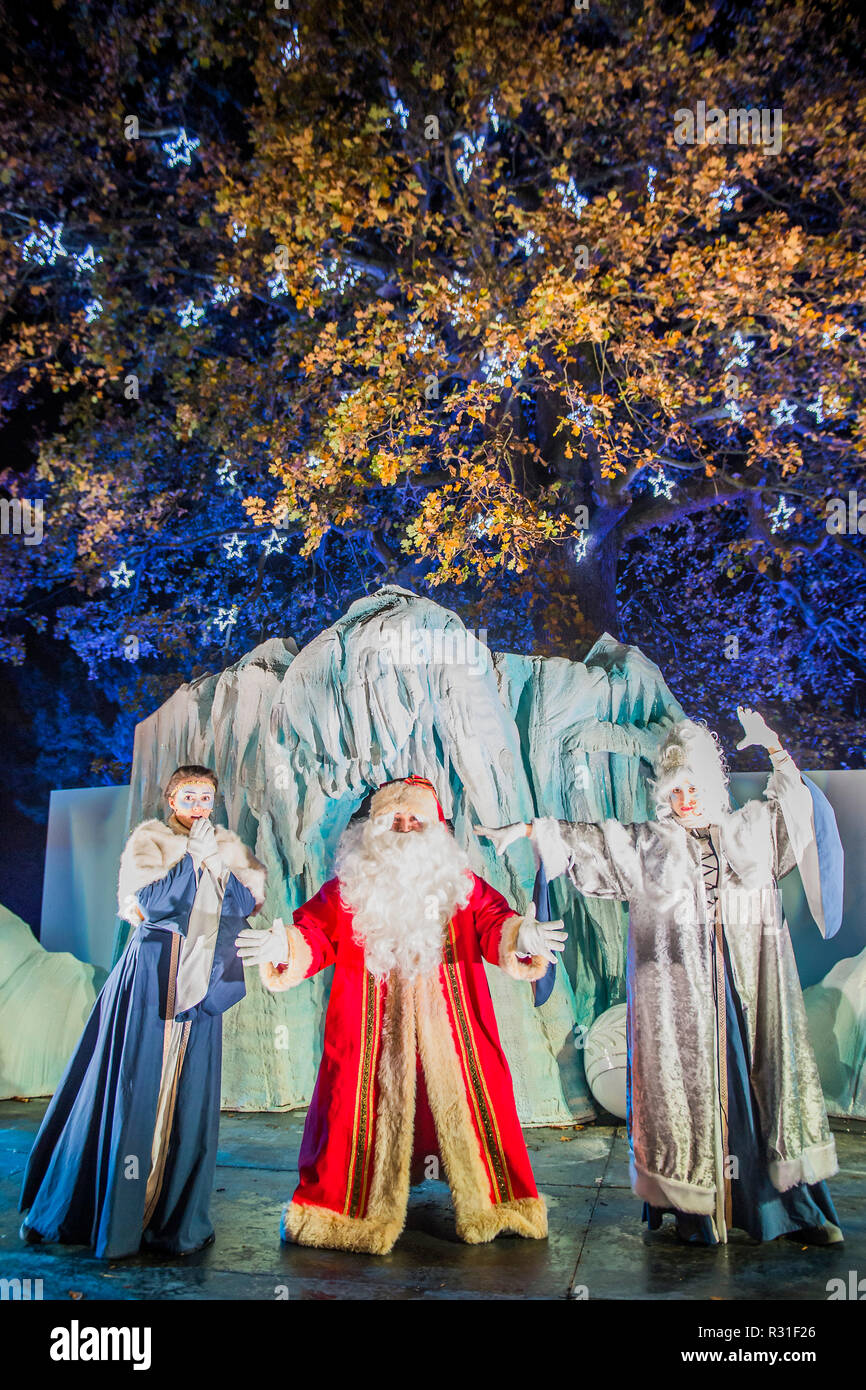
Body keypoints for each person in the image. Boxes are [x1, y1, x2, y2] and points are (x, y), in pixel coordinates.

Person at [478, 708, 844, 1246]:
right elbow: (592, 842)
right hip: (682, 1004)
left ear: (713, 783)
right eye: (675, 790)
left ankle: (792, 1209)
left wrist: (772, 746)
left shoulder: (750, 831)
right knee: (686, 1097)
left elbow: (794, 803)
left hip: (749, 996)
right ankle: (697, 1212)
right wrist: (532, 830)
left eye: (692, 786)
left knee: (764, 1091)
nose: (685, 799)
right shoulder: (650, 843)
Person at [236, 774, 564, 1255]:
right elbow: (317, 932)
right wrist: (281, 945)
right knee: (353, 1099)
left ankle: (494, 1206)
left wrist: (522, 937)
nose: (407, 827)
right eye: (396, 818)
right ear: (376, 826)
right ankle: (341, 1214)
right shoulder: (351, 885)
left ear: (436, 829)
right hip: (370, 1026)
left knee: (475, 1091)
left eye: (417, 819)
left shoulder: (459, 884)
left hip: (454, 1024)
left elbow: (494, 923)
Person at [20, 765, 266, 1258]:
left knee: (189, 1089)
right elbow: (150, 906)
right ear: (172, 799)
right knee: (137, 1078)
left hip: (203, 982)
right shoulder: (149, 841)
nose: (198, 804)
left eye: (206, 796)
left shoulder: (228, 846)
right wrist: (188, 862)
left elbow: (244, 904)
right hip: (154, 974)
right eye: (189, 795)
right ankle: (121, 1212)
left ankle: (172, 1218)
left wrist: (218, 863)